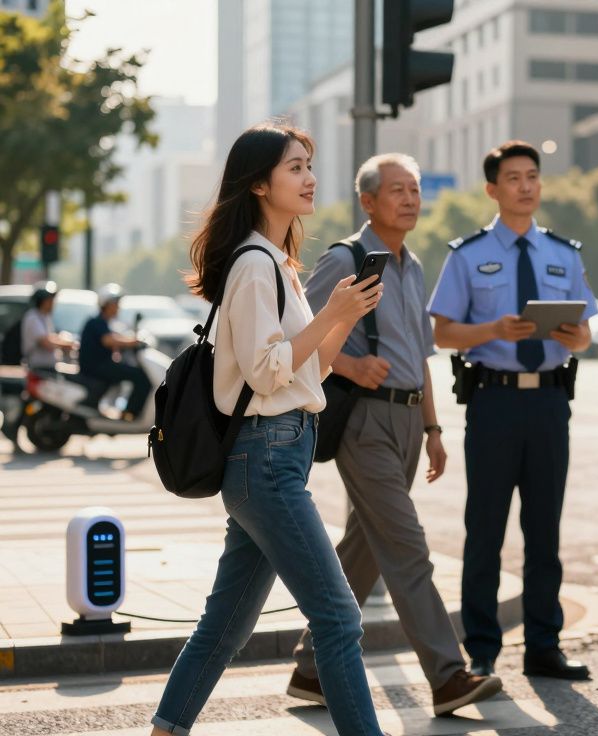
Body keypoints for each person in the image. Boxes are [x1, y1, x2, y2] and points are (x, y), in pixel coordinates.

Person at [150, 123, 386, 736]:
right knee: (338, 618)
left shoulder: (278, 264)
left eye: (309, 165)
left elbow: (314, 366)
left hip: (277, 456)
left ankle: (164, 730)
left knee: (224, 626)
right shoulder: (255, 264)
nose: (309, 178)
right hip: (268, 460)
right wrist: (331, 312)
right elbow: (267, 370)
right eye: (294, 168)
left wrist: (343, 318)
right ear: (259, 183)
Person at [289, 153, 501, 715]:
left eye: (414, 190)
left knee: (367, 547)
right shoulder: (346, 259)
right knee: (407, 548)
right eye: (398, 190)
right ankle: (448, 675)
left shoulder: (411, 264)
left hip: (408, 419)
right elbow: (297, 336)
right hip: (365, 421)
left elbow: (421, 355)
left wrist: (433, 427)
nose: (411, 199)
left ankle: (311, 671)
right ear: (368, 201)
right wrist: (352, 367)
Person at [429, 140, 597, 680]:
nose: (525, 186)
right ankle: (480, 648)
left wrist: (573, 335)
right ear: (492, 189)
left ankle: (543, 646)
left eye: (532, 176)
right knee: (486, 529)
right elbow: (444, 331)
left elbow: (586, 335)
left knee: (544, 528)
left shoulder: (563, 254)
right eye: (514, 178)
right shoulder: (468, 254)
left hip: (550, 401)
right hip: (493, 400)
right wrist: (493, 331)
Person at [79, 284, 150, 420]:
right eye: (116, 303)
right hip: (96, 367)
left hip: (101, 365)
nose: (118, 307)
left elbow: (115, 338)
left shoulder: (104, 322)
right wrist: (134, 342)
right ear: (106, 304)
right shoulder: (97, 322)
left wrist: (130, 341)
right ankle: (129, 414)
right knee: (140, 377)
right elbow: (108, 340)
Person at [19, 281, 75, 370]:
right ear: (41, 301)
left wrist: (65, 340)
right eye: (49, 300)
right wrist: (66, 344)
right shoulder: (32, 317)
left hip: (47, 368)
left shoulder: (46, 317)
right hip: (37, 369)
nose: (53, 303)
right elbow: (46, 342)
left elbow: (51, 337)